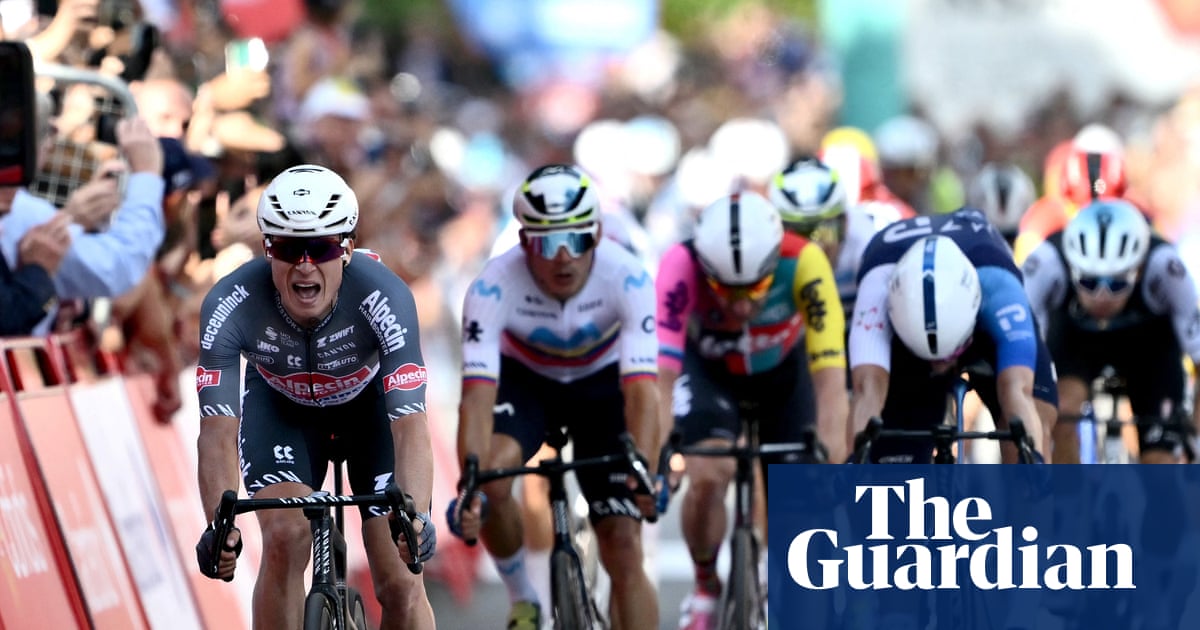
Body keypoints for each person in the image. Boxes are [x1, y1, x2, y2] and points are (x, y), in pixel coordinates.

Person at [193, 164, 436, 629]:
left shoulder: (385, 295)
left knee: (401, 581)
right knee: (285, 537)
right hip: (281, 410)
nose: (305, 265)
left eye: (321, 248)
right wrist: (218, 525)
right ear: (268, 249)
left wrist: (417, 517)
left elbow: (410, 425)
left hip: (369, 414)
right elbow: (217, 431)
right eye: (288, 248)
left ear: (346, 250)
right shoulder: (230, 303)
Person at [448, 164, 661, 630]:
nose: (564, 258)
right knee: (492, 479)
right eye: (547, 244)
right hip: (527, 384)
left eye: (578, 240)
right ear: (525, 242)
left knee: (624, 546)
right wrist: (471, 486)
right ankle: (524, 597)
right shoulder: (492, 286)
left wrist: (644, 469)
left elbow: (643, 390)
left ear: (598, 234)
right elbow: (477, 398)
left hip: (603, 388)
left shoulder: (628, 277)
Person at [656, 191, 847, 629]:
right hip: (710, 374)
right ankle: (705, 587)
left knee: (801, 496)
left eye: (757, 289)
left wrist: (832, 461)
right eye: (726, 291)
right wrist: (659, 453)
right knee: (709, 475)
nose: (741, 307)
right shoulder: (680, 265)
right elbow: (659, 379)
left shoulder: (805, 261)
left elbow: (831, 380)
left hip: (784, 377)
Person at [848, 208, 1056, 463]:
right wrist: (857, 460)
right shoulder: (877, 292)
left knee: (1030, 429)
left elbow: (1018, 390)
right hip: (907, 350)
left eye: (950, 354)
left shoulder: (1000, 289)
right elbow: (866, 390)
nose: (941, 365)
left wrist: (1031, 461)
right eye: (932, 359)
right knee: (887, 460)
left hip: (984, 326)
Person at [1021, 199, 1200, 464]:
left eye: (1116, 284)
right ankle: (1068, 489)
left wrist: (1194, 431)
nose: (1101, 296)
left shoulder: (1167, 267)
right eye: (1088, 282)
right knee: (1061, 413)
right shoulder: (1045, 262)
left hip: (1149, 349)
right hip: (1075, 344)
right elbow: (1022, 351)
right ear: (1071, 267)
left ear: (1138, 270)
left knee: (1161, 463)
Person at [768, 155, 878, 320]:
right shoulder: (766, 253)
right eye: (802, 233)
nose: (816, 245)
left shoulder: (866, 241)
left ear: (845, 222)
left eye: (826, 229)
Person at [968, 161, 1038, 248]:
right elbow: (974, 202)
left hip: (1013, 230)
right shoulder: (982, 179)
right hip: (991, 229)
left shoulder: (1022, 180)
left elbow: (1029, 205)